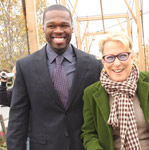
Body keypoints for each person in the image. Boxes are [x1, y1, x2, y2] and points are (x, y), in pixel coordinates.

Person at [6, 5, 103, 150]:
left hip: (84, 146)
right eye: (51, 26)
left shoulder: (93, 65)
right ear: (43, 28)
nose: (58, 31)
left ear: (72, 28)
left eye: (64, 25)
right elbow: (18, 119)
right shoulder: (25, 67)